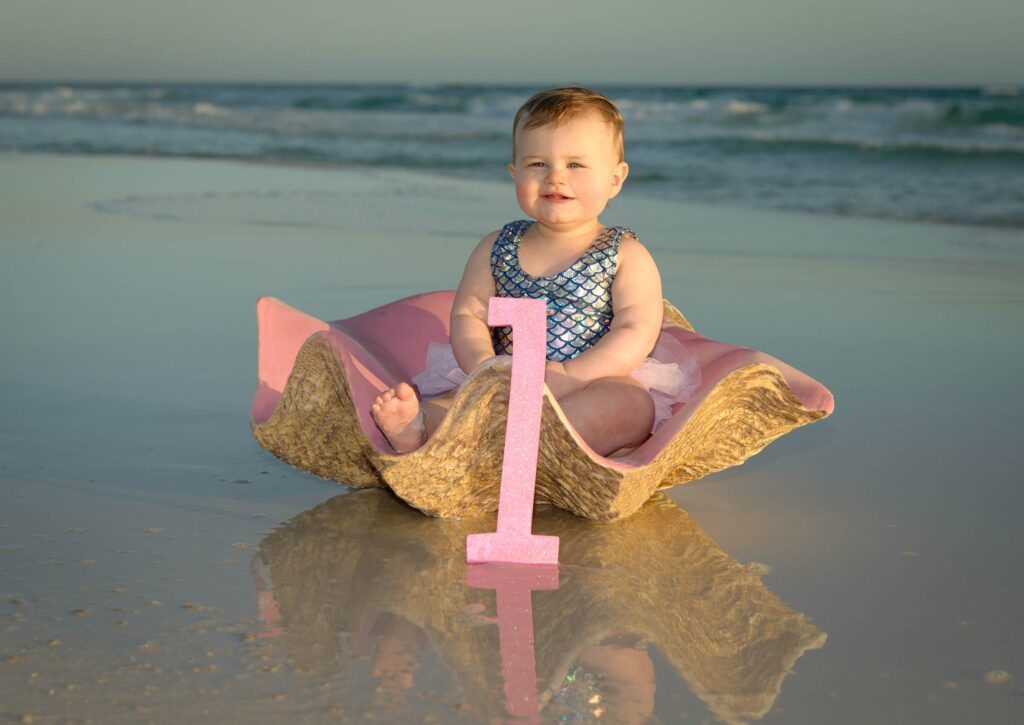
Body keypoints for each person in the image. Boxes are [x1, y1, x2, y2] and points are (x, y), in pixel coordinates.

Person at [371, 87, 698, 458]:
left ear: (615, 179)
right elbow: (469, 313)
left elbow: (636, 328)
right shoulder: (496, 246)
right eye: (538, 164)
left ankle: (543, 442)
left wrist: (570, 378)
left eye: (575, 165)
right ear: (515, 173)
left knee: (630, 404)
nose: (555, 177)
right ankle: (421, 426)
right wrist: (484, 367)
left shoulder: (624, 254)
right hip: (505, 380)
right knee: (457, 401)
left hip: (590, 380)